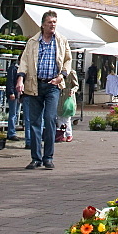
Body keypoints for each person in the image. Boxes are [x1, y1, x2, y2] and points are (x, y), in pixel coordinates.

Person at [16, 10, 72, 169]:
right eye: (50, 22)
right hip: (34, 85)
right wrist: (20, 78)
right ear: (42, 24)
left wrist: (62, 76)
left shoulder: (61, 41)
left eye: (55, 22)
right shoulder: (33, 42)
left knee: (49, 119)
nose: (53, 25)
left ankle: (48, 157)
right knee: (34, 122)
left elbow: (68, 60)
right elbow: (24, 61)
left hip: (53, 85)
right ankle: (36, 158)